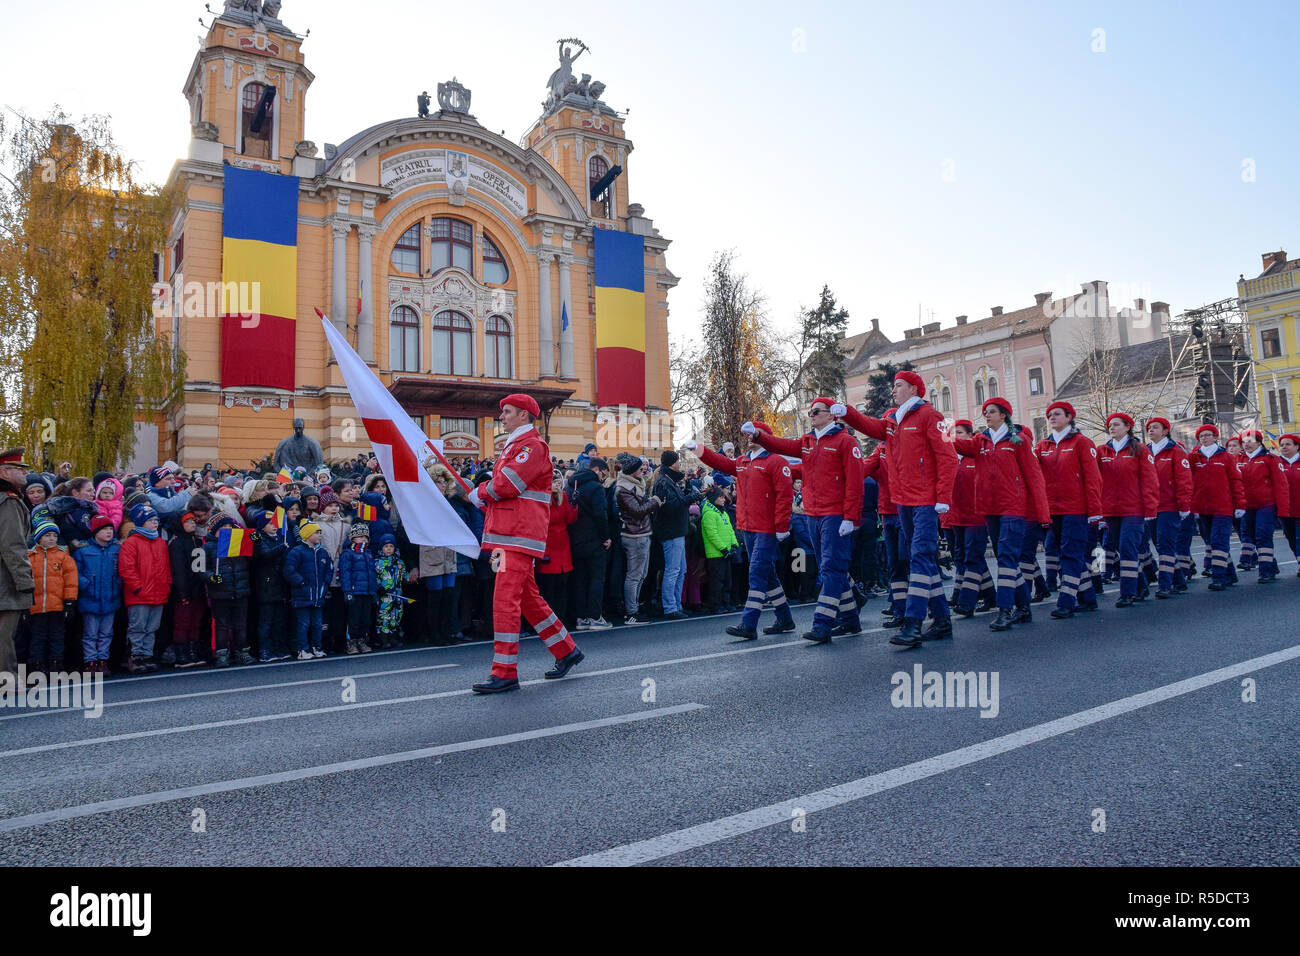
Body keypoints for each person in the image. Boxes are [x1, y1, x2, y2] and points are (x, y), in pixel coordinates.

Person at [463, 394, 582, 694]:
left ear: (524, 416)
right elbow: (504, 487)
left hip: (517, 536)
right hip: (512, 534)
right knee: (528, 599)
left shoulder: (531, 446)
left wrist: (480, 491)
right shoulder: (517, 446)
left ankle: (504, 672)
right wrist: (485, 493)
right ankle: (566, 650)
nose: (501, 416)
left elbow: (508, 485)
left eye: (507, 412)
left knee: (504, 603)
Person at [833, 373, 954, 647]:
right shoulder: (894, 421)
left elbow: (948, 459)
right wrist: (848, 413)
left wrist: (943, 497)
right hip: (904, 501)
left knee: (921, 556)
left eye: (898, 385)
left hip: (925, 500)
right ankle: (942, 619)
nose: (894, 390)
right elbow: (871, 426)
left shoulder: (931, 417)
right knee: (921, 559)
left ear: (914, 388)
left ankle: (913, 623)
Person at [687, 421, 797, 640]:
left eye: (753, 433)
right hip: (748, 527)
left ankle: (748, 624)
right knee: (768, 575)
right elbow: (720, 461)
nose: (748, 437)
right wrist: (699, 449)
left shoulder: (776, 462)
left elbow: (785, 497)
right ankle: (785, 618)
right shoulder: (744, 461)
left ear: (765, 436)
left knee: (756, 573)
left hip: (767, 529)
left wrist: (782, 526)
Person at [950, 397, 1050, 632]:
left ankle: (1005, 610)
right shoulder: (981, 440)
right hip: (989, 508)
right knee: (1004, 557)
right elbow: (959, 446)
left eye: (991, 411)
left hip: (1013, 507)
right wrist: (939, 433)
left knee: (1006, 557)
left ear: (1003, 415)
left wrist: (1042, 513)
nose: (987, 415)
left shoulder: (1018, 441)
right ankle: (1023, 607)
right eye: (985, 411)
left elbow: (1034, 477)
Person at [1034, 401, 1104, 619]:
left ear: (1069, 417)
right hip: (1053, 509)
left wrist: (1094, 510)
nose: (1052, 417)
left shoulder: (1082, 442)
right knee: (1064, 553)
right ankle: (1089, 598)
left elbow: (1093, 478)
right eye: (1049, 415)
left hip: (1076, 508)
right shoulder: (1043, 446)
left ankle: (1067, 601)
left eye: (1057, 414)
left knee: (1070, 553)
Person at [1096, 412, 1160, 608]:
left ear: (1127, 427)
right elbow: (1096, 481)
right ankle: (1141, 586)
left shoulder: (1139, 449)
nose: (1112, 428)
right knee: (1120, 548)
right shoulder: (1102, 451)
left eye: (1116, 424)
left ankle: (1128, 592)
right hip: (1111, 510)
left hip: (1133, 509)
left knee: (1127, 548)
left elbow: (1150, 481)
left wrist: (1150, 508)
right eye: (1110, 425)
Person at [948, 420, 1000, 617]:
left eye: (960, 433)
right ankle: (990, 596)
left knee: (972, 557)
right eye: (953, 433)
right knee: (968, 557)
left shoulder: (977, 456)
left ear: (970, 436)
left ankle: (967, 602)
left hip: (977, 517)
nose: (956, 437)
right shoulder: (952, 458)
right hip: (957, 517)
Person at [1188, 424, 1245, 590]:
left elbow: (1236, 481)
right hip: (1203, 508)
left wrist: (1240, 504)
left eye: (1208, 435)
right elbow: (1188, 481)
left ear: (1215, 437)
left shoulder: (1225, 457)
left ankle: (1218, 576)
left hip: (1223, 507)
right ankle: (1231, 574)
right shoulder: (1194, 457)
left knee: (1219, 540)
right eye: (1201, 436)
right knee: (1212, 541)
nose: (1204, 438)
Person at [119, 505, 172, 672]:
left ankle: (147, 655)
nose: (155, 523)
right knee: (138, 627)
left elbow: (166, 568)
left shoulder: (160, 543)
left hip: (158, 592)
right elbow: (127, 569)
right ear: (141, 522)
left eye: (156, 520)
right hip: (140, 594)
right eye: (151, 520)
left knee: (152, 628)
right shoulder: (131, 543)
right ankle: (135, 656)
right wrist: (137, 588)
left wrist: (167, 585)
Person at [1144, 417, 1193, 598]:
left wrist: (1183, 505)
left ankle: (1165, 584)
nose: (1150, 430)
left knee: (1165, 544)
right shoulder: (1145, 451)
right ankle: (1179, 579)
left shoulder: (1175, 451)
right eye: (1149, 427)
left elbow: (1184, 480)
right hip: (1152, 507)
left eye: (1155, 427)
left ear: (1165, 431)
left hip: (1170, 506)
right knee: (1159, 544)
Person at [1237, 428, 1292, 583]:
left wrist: (1283, 509)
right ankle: (1271, 564)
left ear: (1259, 442)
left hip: (1266, 504)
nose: (1247, 444)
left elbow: (1281, 485)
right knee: (1252, 536)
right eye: (1244, 441)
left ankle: (1265, 571)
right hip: (1247, 505)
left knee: (1263, 535)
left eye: (1250, 441)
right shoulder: (1238, 459)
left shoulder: (1270, 459)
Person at [25, 519, 77, 675]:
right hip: (36, 606)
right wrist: (25, 603)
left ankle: (56, 663)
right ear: (39, 538)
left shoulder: (63, 557)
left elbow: (71, 581)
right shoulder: (30, 557)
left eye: (54, 535)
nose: (51, 539)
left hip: (57, 605)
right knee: (38, 637)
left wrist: (69, 602)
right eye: (47, 535)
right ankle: (36, 665)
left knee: (57, 636)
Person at [614, 452, 660, 625]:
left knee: (641, 575)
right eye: (640, 468)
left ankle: (635, 608)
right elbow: (637, 511)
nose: (643, 470)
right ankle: (631, 613)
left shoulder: (636, 484)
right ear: (632, 471)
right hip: (634, 535)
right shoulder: (623, 488)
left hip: (642, 533)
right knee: (634, 576)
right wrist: (655, 501)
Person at [204, 512, 254, 667]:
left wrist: (255, 543)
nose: (227, 530)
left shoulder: (238, 545)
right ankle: (221, 654)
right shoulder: (207, 547)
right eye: (223, 527)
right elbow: (198, 568)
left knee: (240, 624)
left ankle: (242, 652)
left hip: (239, 590)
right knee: (222, 626)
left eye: (229, 527)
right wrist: (211, 576)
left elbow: (253, 559)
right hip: (220, 592)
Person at [652, 450, 698, 620]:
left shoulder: (668, 480)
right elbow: (670, 507)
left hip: (677, 531)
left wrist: (687, 495)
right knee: (673, 570)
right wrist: (689, 498)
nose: (679, 464)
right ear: (672, 463)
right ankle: (670, 606)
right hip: (671, 532)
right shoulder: (663, 482)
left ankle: (677, 604)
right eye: (677, 461)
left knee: (680, 570)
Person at [570, 457, 613, 631]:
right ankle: (595, 617)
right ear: (597, 470)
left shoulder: (571, 485)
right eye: (604, 473)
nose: (604, 477)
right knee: (596, 578)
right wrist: (606, 537)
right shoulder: (596, 488)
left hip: (575, 539)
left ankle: (581, 618)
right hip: (594, 540)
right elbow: (600, 514)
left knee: (580, 579)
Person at [74, 515, 121, 674]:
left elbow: (121, 570)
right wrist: (86, 585)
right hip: (90, 598)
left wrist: (118, 584)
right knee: (90, 633)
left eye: (110, 529)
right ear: (95, 531)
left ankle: (103, 660)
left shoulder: (116, 549)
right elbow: (76, 572)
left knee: (106, 633)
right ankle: (91, 661)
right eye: (104, 529)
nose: (108, 532)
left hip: (110, 597)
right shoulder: (84, 550)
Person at [538, 470, 579, 633]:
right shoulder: (542, 500)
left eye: (558, 481)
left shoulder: (563, 496)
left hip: (562, 548)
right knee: (549, 590)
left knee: (562, 588)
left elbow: (569, 519)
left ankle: (560, 620)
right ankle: (548, 623)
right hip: (548, 548)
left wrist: (574, 506)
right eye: (553, 481)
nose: (557, 484)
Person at [284, 520, 332, 659]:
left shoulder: (323, 552)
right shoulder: (297, 551)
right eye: (316, 532)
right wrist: (301, 582)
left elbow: (329, 569)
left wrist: (325, 584)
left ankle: (316, 647)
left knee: (317, 624)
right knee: (303, 624)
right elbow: (289, 570)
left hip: (318, 595)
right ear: (307, 534)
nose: (319, 535)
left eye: (320, 533)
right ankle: (302, 649)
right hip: (302, 595)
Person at [168, 511, 210, 667]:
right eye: (188, 521)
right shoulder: (177, 543)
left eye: (193, 520)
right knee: (182, 622)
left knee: (195, 621)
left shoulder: (197, 541)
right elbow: (178, 570)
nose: (193, 523)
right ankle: (181, 652)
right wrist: (182, 592)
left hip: (198, 589)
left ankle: (193, 650)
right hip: (184, 591)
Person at [249, 509, 291, 662]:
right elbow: (263, 556)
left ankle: (279, 647)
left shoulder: (280, 537)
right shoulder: (259, 539)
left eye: (275, 522)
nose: (274, 525)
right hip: (266, 585)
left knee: (279, 621)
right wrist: (282, 548)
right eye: (269, 523)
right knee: (266, 621)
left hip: (280, 584)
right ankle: (264, 650)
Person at [339, 523, 376, 654]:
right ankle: (351, 642)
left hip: (367, 591)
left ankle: (362, 640)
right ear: (352, 538)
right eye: (360, 536)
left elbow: (372, 574)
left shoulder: (369, 553)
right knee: (353, 619)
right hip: (355, 591)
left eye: (366, 537)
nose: (364, 539)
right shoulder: (348, 554)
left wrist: (373, 591)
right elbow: (345, 573)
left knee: (365, 619)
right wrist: (347, 591)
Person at [374, 533, 408, 647]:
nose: (388, 549)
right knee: (384, 616)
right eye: (386, 546)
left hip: (397, 594)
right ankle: (383, 638)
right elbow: (375, 577)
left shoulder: (399, 562)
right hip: (385, 595)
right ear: (381, 548)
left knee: (396, 615)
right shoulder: (378, 562)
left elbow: (404, 576)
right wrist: (379, 587)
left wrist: (411, 578)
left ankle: (393, 636)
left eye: (391, 546)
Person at [1277, 434, 1300, 574]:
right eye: (1282, 445)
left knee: (1299, 537)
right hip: (1285, 509)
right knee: (1291, 537)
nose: (1284, 447)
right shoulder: (1276, 463)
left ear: (1297, 446)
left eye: (1288, 444)